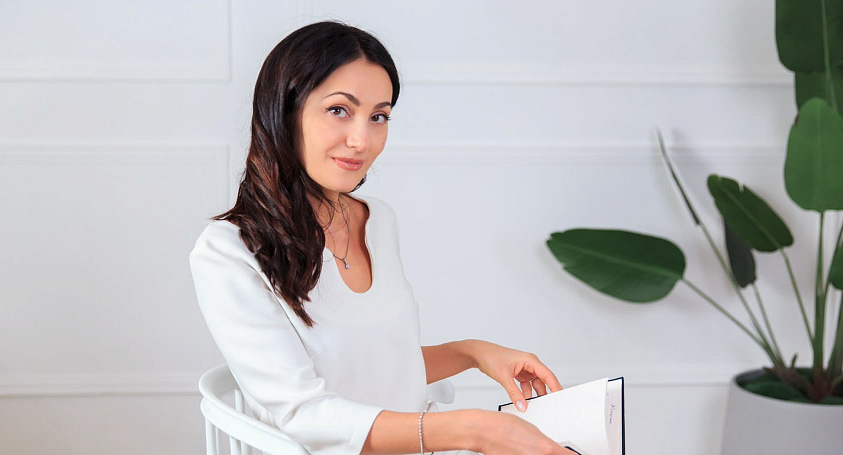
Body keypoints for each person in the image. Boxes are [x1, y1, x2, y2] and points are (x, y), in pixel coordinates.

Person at [189, 20, 574, 455]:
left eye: (378, 116)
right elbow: (304, 414)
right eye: (339, 110)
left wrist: (473, 353)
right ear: (284, 111)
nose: (361, 140)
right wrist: (474, 431)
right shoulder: (228, 254)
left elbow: (373, 367)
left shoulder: (378, 221)